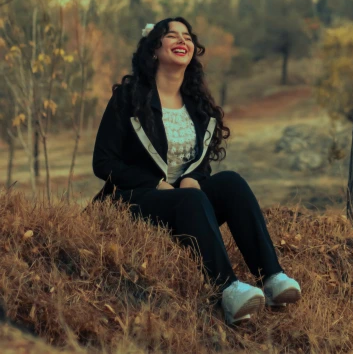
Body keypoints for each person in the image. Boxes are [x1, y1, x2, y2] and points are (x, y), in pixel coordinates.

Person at [92, 17, 301, 325]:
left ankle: (272, 278)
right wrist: (156, 184)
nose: (182, 40)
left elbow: (200, 161)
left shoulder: (197, 105)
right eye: (171, 35)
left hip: (187, 204)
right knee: (190, 200)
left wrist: (194, 178)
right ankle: (229, 291)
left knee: (230, 182)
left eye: (187, 36)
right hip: (136, 200)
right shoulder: (128, 99)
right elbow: (104, 162)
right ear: (153, 49)